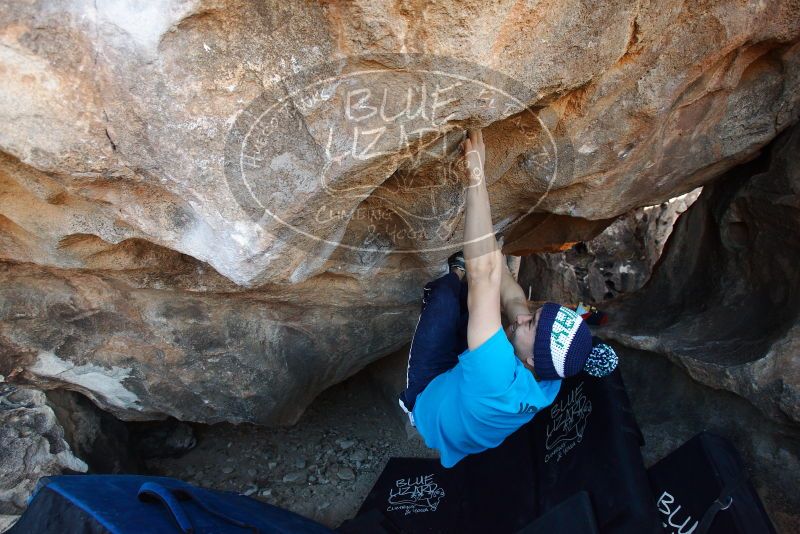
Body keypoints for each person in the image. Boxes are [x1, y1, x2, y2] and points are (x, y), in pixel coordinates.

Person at [398, 129, 619, 468]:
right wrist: (494, 246)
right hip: (467, 391)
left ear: (531, 363)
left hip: (430, 400)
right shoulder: (549, 374)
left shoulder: (496, 374)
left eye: (530, 323)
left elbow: (485, 276)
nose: (521, 316)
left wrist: (476, 174)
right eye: (535, 314)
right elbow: (513, 296)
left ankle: (409, 402)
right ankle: (466, 283)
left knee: (447, 296)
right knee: (480, 307)